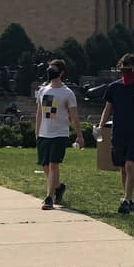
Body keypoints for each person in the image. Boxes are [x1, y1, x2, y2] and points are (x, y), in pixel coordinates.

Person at [98, 53, 134, 214]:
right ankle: (129, 197)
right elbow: (107, 109)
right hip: (119, 131)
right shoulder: (113, 88)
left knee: (130, 164)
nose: (126, 73)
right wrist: (100, 126)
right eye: (123, 69)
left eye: (129, 69)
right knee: (122, 167)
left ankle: (127, 200)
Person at [35, 58, 83, 210]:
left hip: (60, 134)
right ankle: (58, 187)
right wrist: (37, 132)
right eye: (49, 68)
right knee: (45, 166)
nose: (50, 70)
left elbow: (74, 116)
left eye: (54, 68)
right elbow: (39, 113)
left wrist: (79, 135)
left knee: (54, 164)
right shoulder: (43, 90)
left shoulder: (67, 93)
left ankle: (49, 197)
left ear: (61, 72)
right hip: (44, 133)